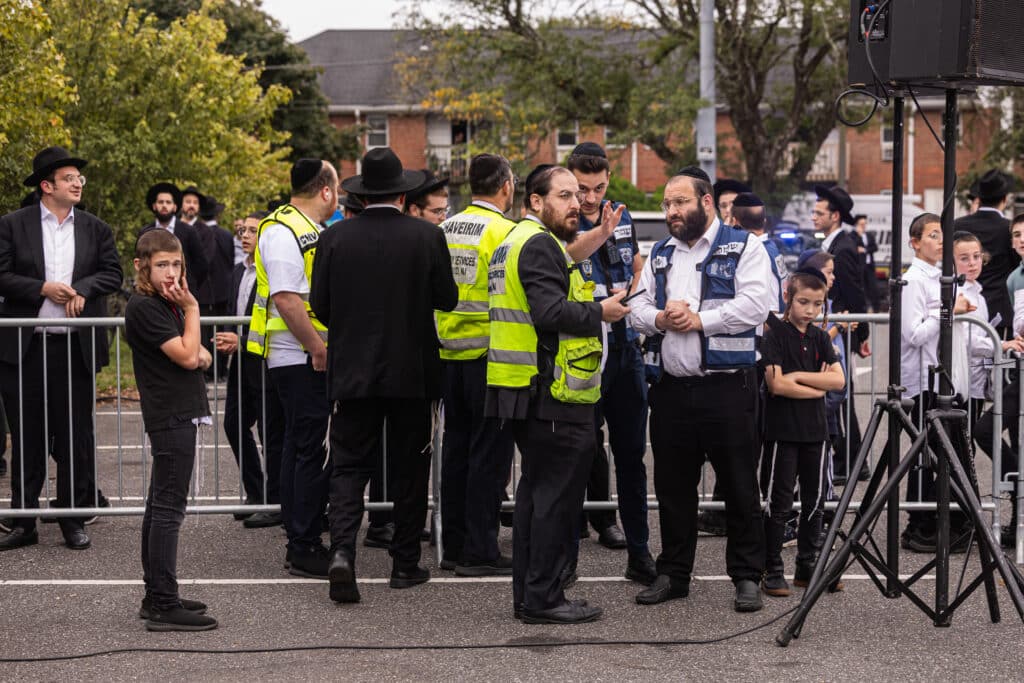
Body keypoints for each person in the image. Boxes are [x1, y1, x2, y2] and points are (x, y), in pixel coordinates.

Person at [309, 147, 457, 604]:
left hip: (353, 369)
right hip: (413, 370)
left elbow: (320, 305)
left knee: (349, 466)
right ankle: (405, 562)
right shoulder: (426, 236)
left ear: (361, 195)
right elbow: (447, 298)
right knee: (411, 467)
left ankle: (342, 552)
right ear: (402, 195)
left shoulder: (335, 238)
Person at [485, 164, 629, 624]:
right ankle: (544, 599)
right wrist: (601, 311)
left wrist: (600, 235)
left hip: (527, 387)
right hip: (551, 392)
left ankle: (532, 596)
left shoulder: (518, 239)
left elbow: (554, 276)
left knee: (535, 498)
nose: (577, 204)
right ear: (535, 200)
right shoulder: (538, 245)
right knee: (551, 501)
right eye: (564, 195)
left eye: (577, 195)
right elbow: (549, 312)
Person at [631, 168, 771, 614]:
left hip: (727, 389)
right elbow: (636, 306)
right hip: (671, 390)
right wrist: (659, 319)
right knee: (673, 488)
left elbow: (757, 304)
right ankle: (673, 573)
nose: (671, 211)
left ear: (706, 202)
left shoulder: (745, 246)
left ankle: (747, 576)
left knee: (740, 487)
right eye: (667, 204)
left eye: (680, 202)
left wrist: (699, 321)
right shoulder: (660, 253)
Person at [0, 146, 122, 552]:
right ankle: (23, 521)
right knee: (27, 436)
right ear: (46, 186)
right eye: (69, 178)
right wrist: (42, 288)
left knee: (74, 436)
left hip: (74, 348)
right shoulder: (12, 226)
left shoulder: (95, 228)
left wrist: (83, 289)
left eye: (79, 178)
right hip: (26, 348)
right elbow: (1, 274)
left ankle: (73, 518)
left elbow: (112, 272)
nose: (77, 184)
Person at [563, 142, 654, 585]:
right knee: (576, 456)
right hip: (581, 349)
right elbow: (570, 255)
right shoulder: (561, 217)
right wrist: (599, 230)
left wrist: (633, 297)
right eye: (582, 188)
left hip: (624, 347)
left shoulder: (621, 214)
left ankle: (640, 553)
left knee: (632, 457)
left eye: (598, 188)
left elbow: (635, 263)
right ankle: (564, 563)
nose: (590, 198)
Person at [247, 158, 337, 579]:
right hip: (300, 355)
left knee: (300, 447)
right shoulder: (284, 230)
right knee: (309, 450)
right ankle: (303, 544)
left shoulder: (304, 228)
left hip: (300, 354)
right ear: (325, 190)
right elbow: (286, 298)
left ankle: (301, 533)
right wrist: (317, 347)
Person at [431, 154, 519, 575]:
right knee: (489, 457)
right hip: (489, 354)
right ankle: (481, 550)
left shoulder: (445, 228)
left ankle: (453, 546)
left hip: (449, 353)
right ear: (506, 186)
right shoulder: (505, 232)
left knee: (456, 452)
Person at [125, 229, 217, 631]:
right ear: (141, 265)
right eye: (162, 264)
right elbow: (188, 356)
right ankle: (163, 601)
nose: (171, 273)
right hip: (171, 415)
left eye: (176, 264)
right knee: (167, 509)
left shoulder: (165, 304)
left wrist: (195, 350)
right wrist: (193, 308)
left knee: (159, 505)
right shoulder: (147, 306)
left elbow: (201, 354)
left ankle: (157, 594)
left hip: (179, 413)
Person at [759, 269, 845, 597]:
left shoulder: (820, 338)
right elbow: (776, 385)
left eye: (817, 304)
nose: (810, 310)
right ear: (788, 298)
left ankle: (806, 565)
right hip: (782, 431)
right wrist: (816, 387)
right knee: (779, 502)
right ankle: (772, 567)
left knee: (815, 501)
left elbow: (838, 380)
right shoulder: (775, 335)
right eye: (803, 302)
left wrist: (797, 378)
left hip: (816, 432)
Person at [897, 213, 975, 553]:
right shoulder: (913, 280)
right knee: (924, 453)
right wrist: (948, 310)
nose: (940, 240)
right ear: (915, 243)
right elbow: (913, 334)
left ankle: (944, 520)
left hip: (943, 378)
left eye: (942, 234)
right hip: (922, 380)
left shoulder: (941, 277)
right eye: (932, 235)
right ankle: (919, 524)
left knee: (945, 451)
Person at [214, 211, 285, 529]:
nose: (245, 235)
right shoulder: (238, 271)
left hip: (266, 361)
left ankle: (276, 501)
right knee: (234, 424)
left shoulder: (271, 271)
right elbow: (235, 313)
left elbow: (274, 319)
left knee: (272, 433)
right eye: (242, 230)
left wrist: (240, 341)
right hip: (242, 364)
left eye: (253, 231)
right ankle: (257, 493)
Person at [812, 184, 868, 484]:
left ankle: (852, 458)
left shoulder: (843, 247)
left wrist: (862, 333)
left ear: (835, 216)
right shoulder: (833, 243)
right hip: (834, 326)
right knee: (839, 394)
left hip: (841, 328)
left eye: (819, 213)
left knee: (840, 393)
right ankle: (850, 456)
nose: (813, 217)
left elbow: (855, 291)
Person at [955, 169, 1018, 339]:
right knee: (999, 354)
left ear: (979, 198)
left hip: (963, 305)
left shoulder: (957, 225)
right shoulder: (1009, 228)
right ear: (1004, 199)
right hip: (1000, 311)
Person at [139, 183, 208, 295]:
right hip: (152, 293)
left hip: (181, 292)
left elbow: (201, 265)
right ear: (154, 206)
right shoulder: (145, 232)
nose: (164, 205)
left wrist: (188, 285)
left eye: (168, 202)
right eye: (161, 202)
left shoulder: (188, 231)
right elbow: (142, 263)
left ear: (175, 207)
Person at [853, 214, 881, 311]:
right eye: (861, 224)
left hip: (869, 266)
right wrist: (859, 235)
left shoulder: (869, 235)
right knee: (862, 288)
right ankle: (863, 309)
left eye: (865, 224)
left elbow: (875, 247)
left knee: (873, 288)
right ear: (856, 225)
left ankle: (876, 309)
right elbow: (854, 247)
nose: (864, 226)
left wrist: (865, 250)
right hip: (859, 266)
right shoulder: (853, 236)